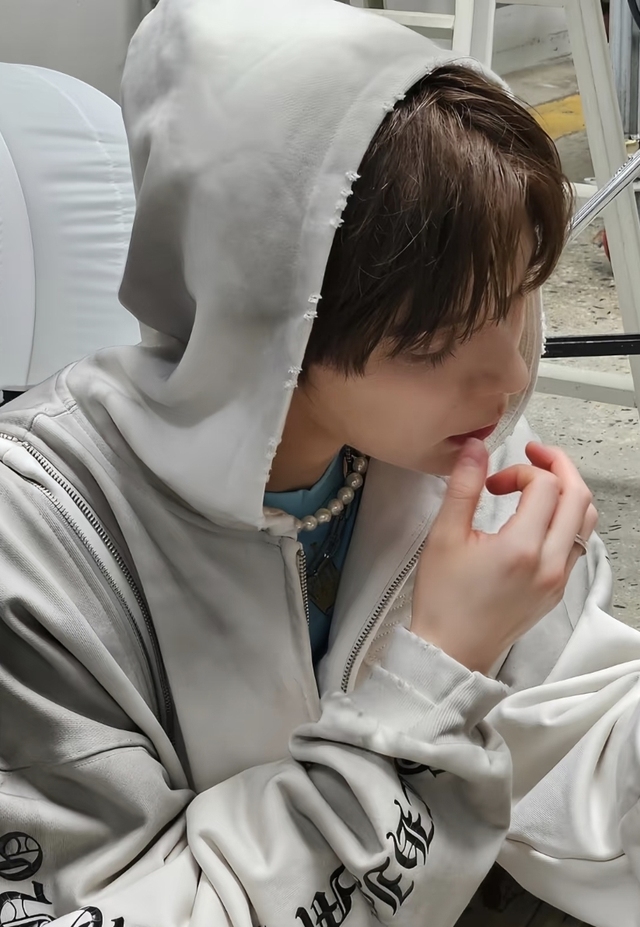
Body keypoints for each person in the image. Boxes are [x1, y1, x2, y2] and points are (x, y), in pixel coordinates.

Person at [0, 1, 639, 926]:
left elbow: (578, 735)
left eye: (515, 299)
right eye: (435, 341)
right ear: (270, 318)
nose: (508, 376)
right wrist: (438, 668)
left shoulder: (446, 453)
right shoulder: (41, 547)